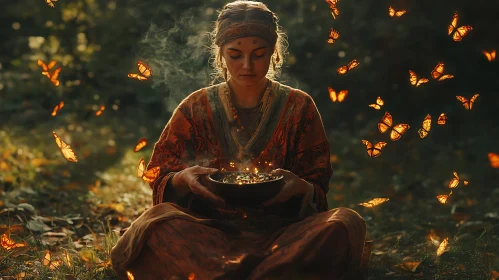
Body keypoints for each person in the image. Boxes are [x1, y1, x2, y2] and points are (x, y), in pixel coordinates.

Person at [111, 1, 368, 279]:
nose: (247, 65)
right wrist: (182, 179)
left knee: (345, 221)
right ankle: (266, 273)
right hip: (208, 232)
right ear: (220, 54)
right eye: (235, 55)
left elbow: (318, 185)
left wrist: (301, 187)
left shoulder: (299, 107)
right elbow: (159, 174)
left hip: (284, 234)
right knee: (158, 224)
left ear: (274, 53)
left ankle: (230, 273)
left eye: (259, 54)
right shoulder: (195, 106)